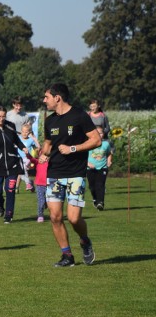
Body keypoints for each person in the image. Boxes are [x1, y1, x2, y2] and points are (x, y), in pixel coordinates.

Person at [39, 83, 101, 267]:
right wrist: (43, 154)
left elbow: (96, 140)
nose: (44, 100)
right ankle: (67, 256)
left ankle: (84, 240)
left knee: (73, 218)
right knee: (55, 217)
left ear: (57, 97)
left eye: (46, 97)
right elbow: (48, 145)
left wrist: (73, 148)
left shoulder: (80, 115)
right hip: (55, 173)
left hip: (76, 174)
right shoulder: (49, 120)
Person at [87, 126, 113, 211]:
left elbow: (109, 153)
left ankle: (100, 202)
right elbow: (82, 156)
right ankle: (95, 199)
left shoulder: (106, 144)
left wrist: (109, 161)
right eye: (97, 133)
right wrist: (88, 163)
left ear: (103, 134)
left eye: (100, 133)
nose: (99, 134)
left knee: (100, 185)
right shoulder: (88, 143)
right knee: (92, 187)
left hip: (102, 168)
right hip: (90, 168)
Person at [17, 122, 41, 192]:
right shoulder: (18, 138)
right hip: (18, 159)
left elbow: (38, 148)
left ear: (29, 132)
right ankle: (29, 183)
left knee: (22, 170)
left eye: (26, 132)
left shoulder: (30, 140)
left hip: (27, 159)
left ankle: (28, 183)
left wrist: (35, 139)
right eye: (23, 131)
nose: (24, 133)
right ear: (21, 131)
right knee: (21, 172)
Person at [26, 153, 48, 222]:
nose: (40, 159)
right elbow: (31, 159)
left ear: (46, 158)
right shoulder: (37, 163)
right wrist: (27, 154)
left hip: (48, 185)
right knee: (41, 202)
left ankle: (46, 203)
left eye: (42, 158)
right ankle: (40, 215)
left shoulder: (48, 164)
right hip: (39, 185)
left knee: (48, 201)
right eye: (40, 158)